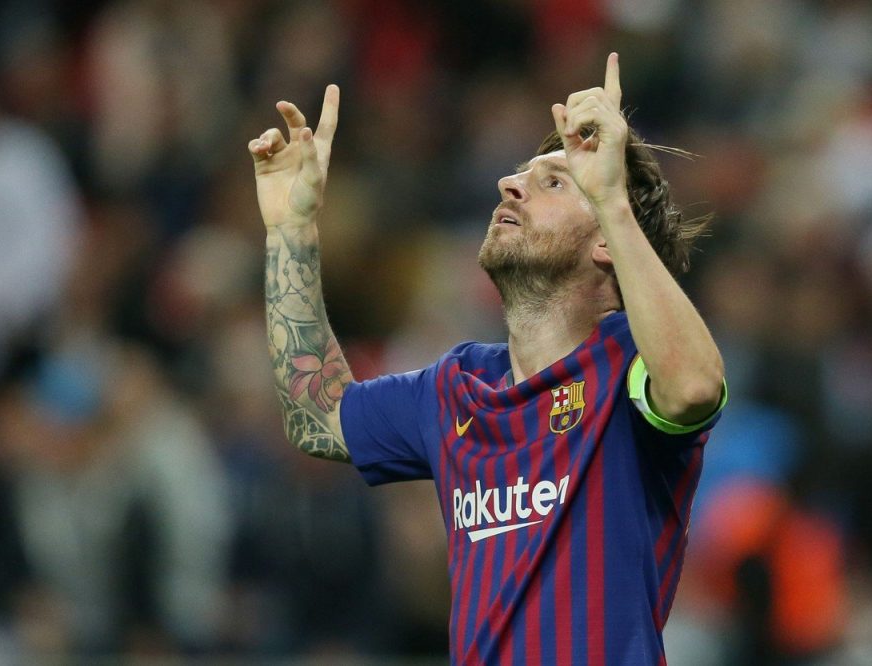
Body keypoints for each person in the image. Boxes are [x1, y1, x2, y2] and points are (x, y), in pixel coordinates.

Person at [249, 53, 727, 664]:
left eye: (554, 182)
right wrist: (291, 231)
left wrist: (613, 199)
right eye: (520, 173)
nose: (509, 183)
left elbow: (693, 389)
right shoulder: (455, 385)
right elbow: (317, 418)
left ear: (607, 239)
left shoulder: (631, 366)